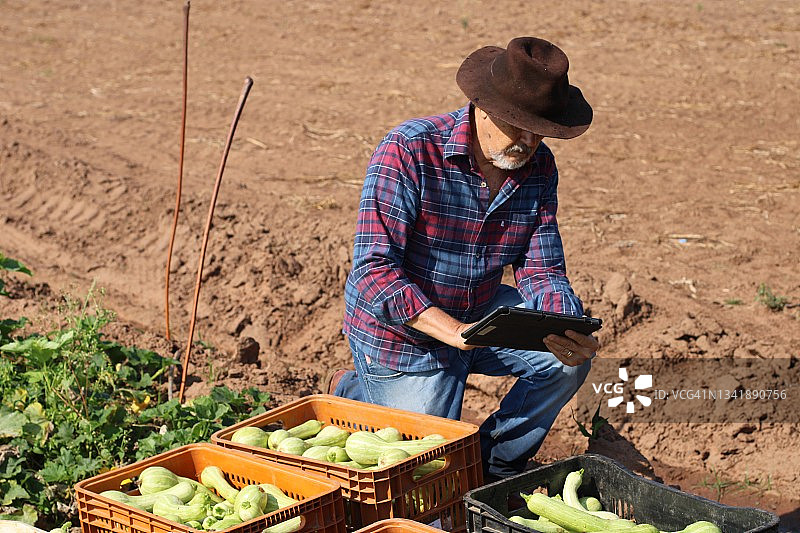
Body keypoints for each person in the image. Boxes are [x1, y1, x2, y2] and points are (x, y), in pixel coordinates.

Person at [330, 36, 600, 480]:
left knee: (564, 365)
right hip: (403, 333)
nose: (530, 141)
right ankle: (355, 392)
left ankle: (494, 462)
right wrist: (453, 332)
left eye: (541, 129)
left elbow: (543, 268)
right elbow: (374, 272)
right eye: (518, 125)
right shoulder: (409, 150)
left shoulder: (539, 168)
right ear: (483, 107)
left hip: (480, 312)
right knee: (427, 459)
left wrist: (561, 326)